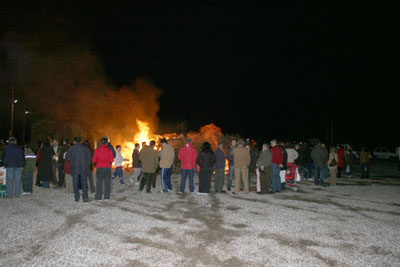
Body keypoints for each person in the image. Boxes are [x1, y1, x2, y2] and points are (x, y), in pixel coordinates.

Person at [66, 137, 92, 202]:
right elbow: (89, 158)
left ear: (74, 141)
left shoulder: (72, 148)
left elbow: (67, 158)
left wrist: (72, 161)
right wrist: (87, 165)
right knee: (84, 182)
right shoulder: (85, 148)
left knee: (75, 182)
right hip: (84, 168)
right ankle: (85, 197)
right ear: (80, 141)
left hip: (75, 168)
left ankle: (77, 197)